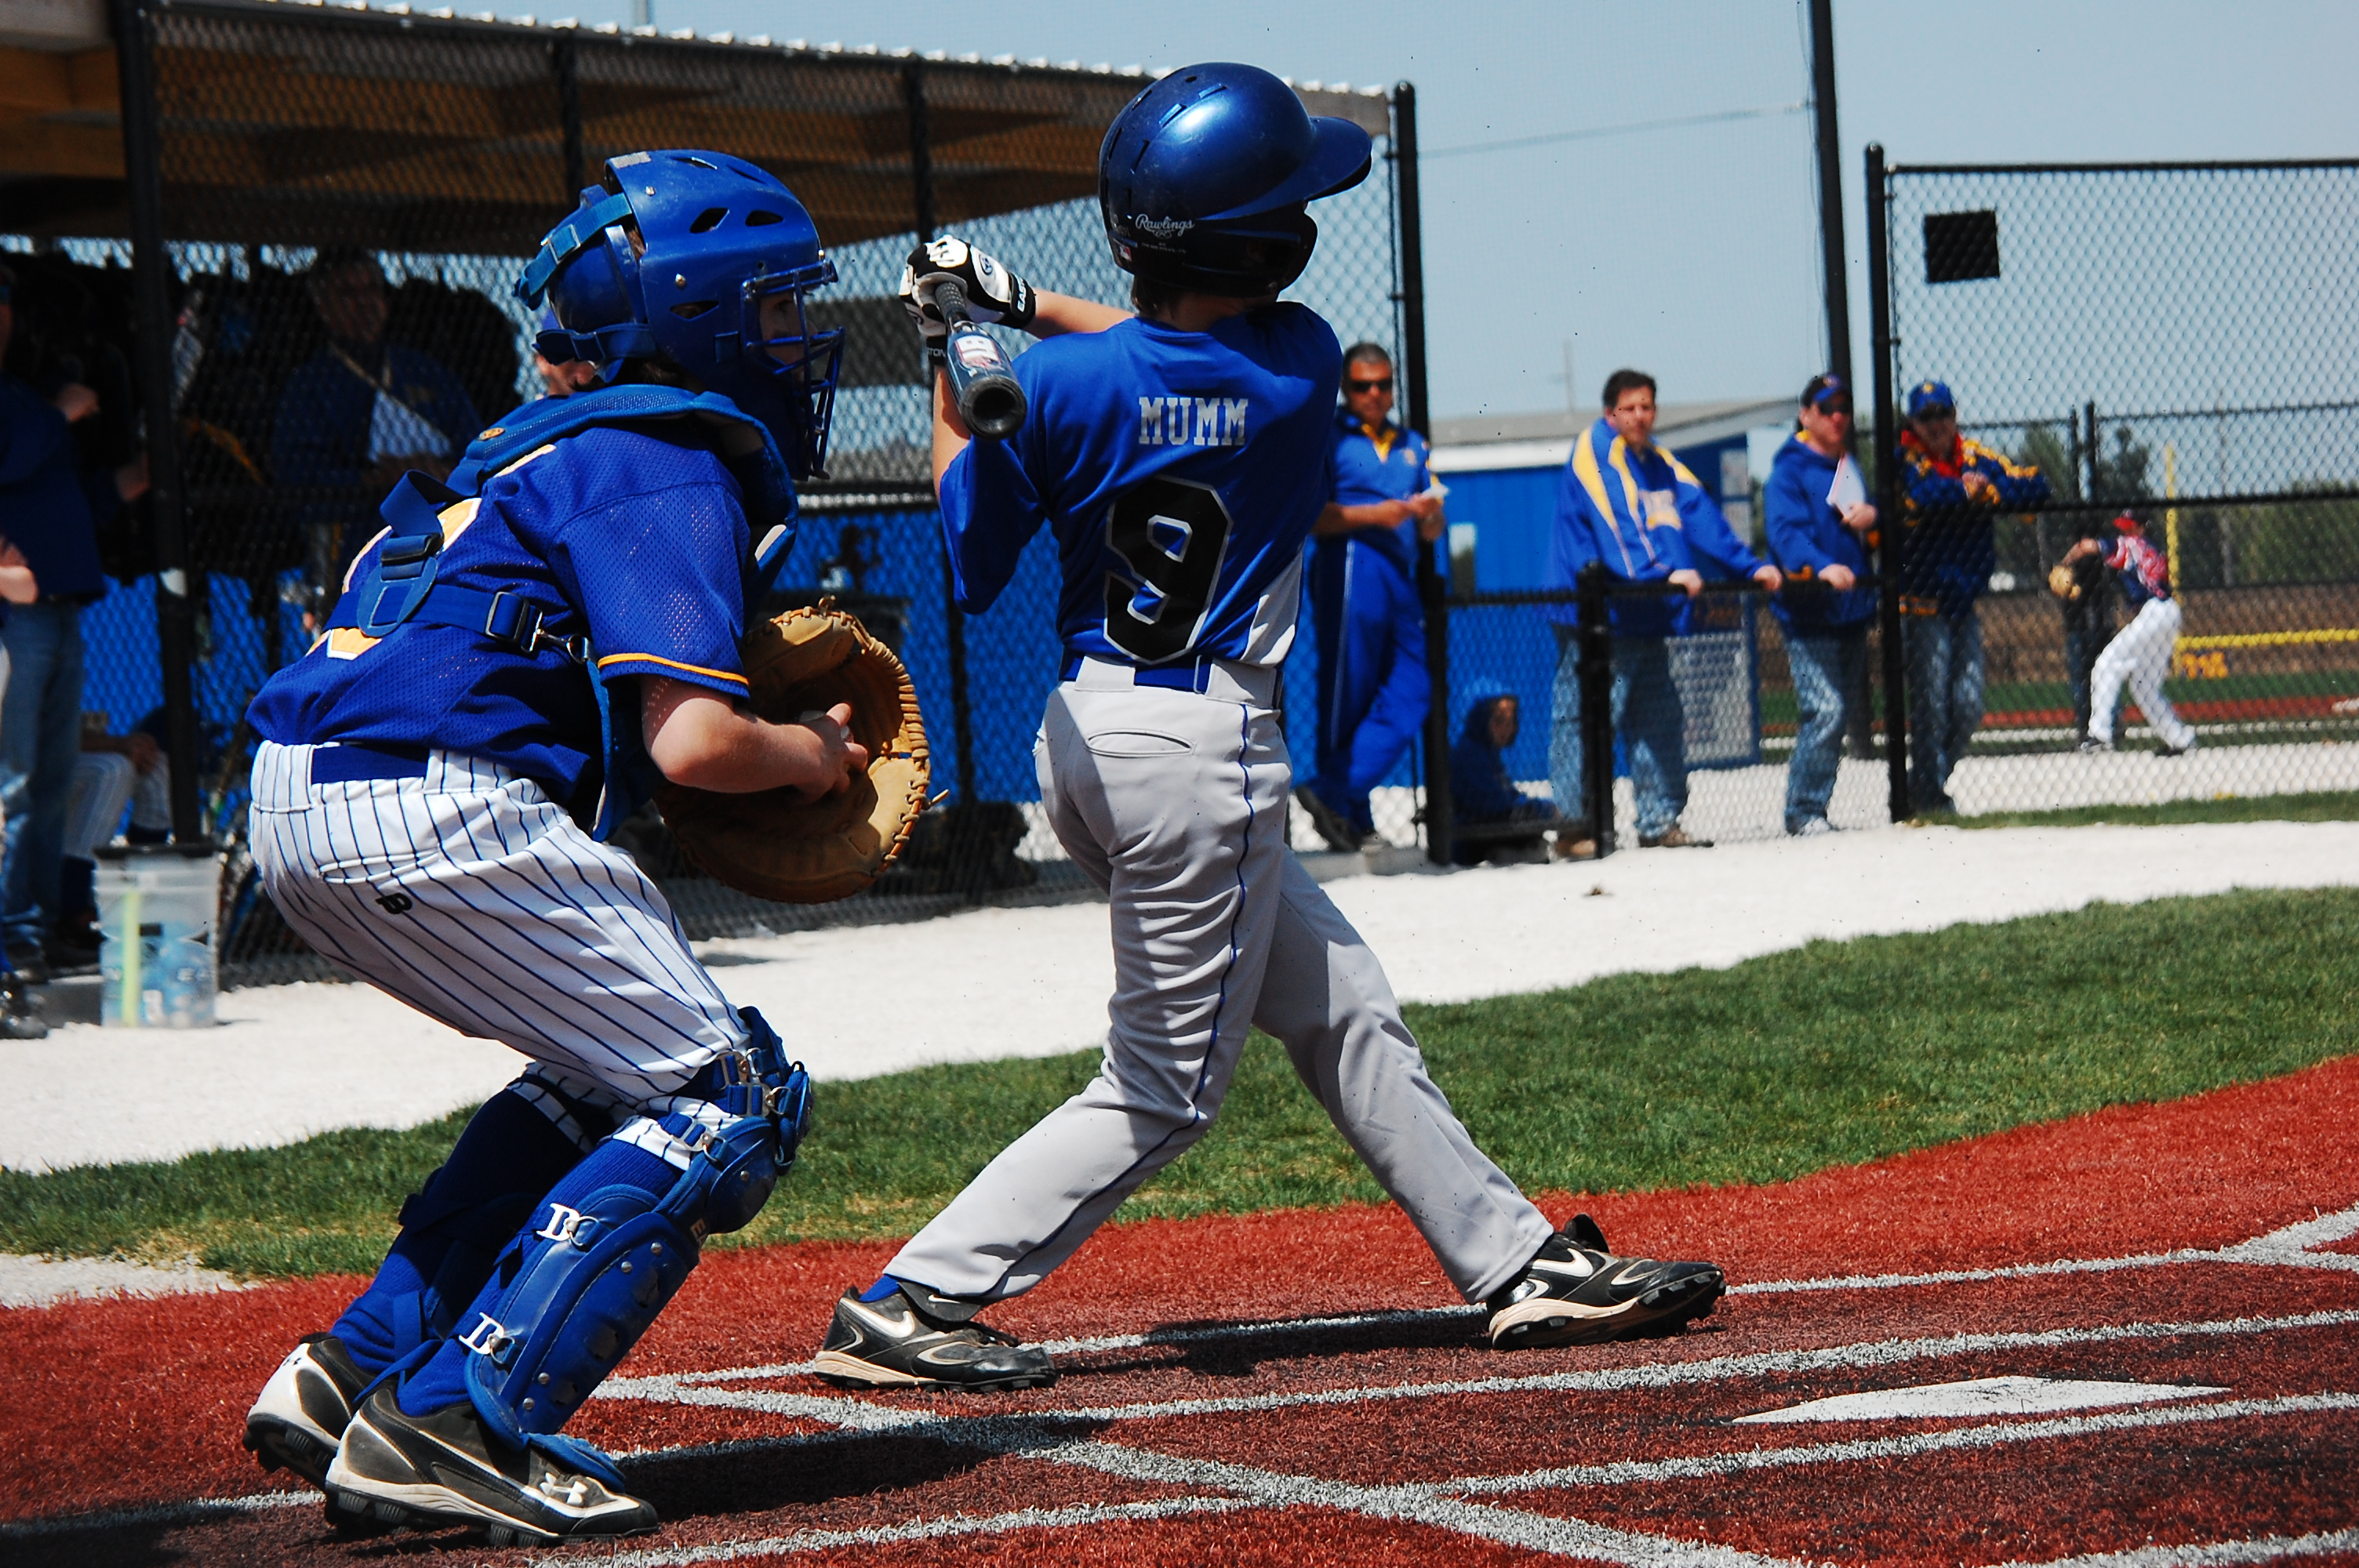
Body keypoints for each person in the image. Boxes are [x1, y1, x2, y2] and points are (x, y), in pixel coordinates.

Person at [810, 67, 1725, 1396]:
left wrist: (955, 375)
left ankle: (1515, 1263)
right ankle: (915, 1295)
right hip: (1200, 756)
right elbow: (1169, 359)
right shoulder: (1300, 366)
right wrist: (1015, 312)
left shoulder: (1056, 389)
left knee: (1344, 1004)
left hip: (1090, 735)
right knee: (1166, 1087)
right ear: (1257, 245)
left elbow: (976, 549)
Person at [236, 150, 855, 1544]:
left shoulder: (518, 451)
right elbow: (695, 744)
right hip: (426, 801)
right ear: (694, 315)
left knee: (603, 1073)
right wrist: (812, 754)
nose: (795, 337)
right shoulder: (664, 455)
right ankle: (458, 1419)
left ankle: (355, 1371)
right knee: (732, 1090)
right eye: (773, 307)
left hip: (300, 794)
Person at [1546, 370, 1782, 852]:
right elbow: (1617, 524)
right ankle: (1576, 826)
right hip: (1598, 614)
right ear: (1610, 412)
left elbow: (1699, 511)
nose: (1640, 416)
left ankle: (1659, 821)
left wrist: (1749, 564)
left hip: (1644, 611)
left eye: (1647, 406)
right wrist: (1661, 573)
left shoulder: (1657, 461)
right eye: (1629, 407)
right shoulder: (1596, 450)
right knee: (1588, 716)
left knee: (1658, 715)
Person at [0, 259, 149, 983]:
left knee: (52, 781)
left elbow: (62, 497)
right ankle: (11, 938)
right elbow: (10, 462)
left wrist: (129, 480)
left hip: (59, 606)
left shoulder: (21, 393)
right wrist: (59, 412)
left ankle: (42, 924)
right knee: (15, 782)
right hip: (14, 614)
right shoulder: (35, 408)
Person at [272, 249, 482, 614]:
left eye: (372, 289)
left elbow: (478, 449)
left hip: (441, 540)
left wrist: (440, 470)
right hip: (355, 551)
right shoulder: (310, 385)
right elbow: (298, 476)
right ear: (324, 307)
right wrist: (374, 478)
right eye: (349, 293)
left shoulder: (424, 372)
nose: (365, 303)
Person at [1296, 342, 1442, 853]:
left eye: (1383, 384)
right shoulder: (1329, 438)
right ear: (1346, 388)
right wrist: (1378, 515)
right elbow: (1311, 517)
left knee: (1413, 688)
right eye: (1362, 385)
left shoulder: (1412, 444)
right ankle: (1350, 816)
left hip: (1400, 572)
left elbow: (1432, 524)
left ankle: (1332, 792)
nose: (1374, 394)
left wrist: (1429, 517)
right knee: (1348, 692)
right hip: (1350, 563)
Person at [1896, 380, 2050, 812]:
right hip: (1923, 602)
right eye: (1926, 417)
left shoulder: (1976, 456)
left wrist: (1993, 492)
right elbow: (1920, 493)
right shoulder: (1907, 457)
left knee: (1968, 704)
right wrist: (1963, 491)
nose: (1936, 424)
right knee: (1931, 705)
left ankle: (1925, 785)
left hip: (1963, 603)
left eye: (1943, 414)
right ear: (1913, 423)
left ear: (1955, 415)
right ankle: (1927, 793)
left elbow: (2036, 484)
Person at [1763, 373, 1877, 837]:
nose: (1837, 417)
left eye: (1844, 409)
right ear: (1805, 415)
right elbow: (1785, 534)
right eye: (1827, 409)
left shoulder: (1847, 464)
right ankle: (1804, 810)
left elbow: (1865, 518)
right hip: (1809, 611)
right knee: (1825, 710)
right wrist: (1821, 565)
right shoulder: (1788, 472)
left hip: (1850, 610)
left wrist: (1872, 516)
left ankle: (1814, 809)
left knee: (1837, 712)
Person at [2068, 514, 2196, 757]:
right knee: (2144, 685)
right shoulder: (2152, 548)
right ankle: (2180, 739)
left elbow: (2087, 546)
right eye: (2123, 528)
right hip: (2169, 613)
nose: (2125, 532)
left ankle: (2100, 735)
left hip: (2153, 613)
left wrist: (2064, 564)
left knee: (2106, 665)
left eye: (2130, 527)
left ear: (2141, 527)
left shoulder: (2129, 545)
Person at [1448, 681, 1554, 865]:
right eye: (1499, 721)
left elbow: (1506, 795)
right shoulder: (1469, 753)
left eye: (1511, 721)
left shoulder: (1488, 751)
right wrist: (1539, 809)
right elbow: (1493, 803)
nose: (1507, 728)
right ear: (1480, 719)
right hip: (1469, 837)